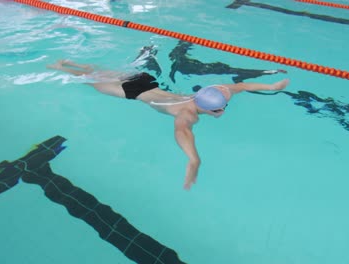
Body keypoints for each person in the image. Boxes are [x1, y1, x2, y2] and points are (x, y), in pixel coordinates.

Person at [47, 59, 290, 190]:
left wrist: (273, 87)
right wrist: (194, 160)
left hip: (146, 81)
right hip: (134, 91)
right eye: (218, 110)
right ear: (205, 108)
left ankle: (72, 63)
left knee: (101, 72)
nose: (222, 111)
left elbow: (242, 86)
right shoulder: (188, 114)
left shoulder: (217, 93)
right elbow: (181, 131)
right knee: (89, 82)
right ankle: (63, 68)